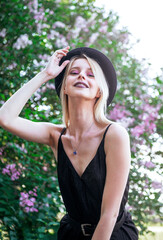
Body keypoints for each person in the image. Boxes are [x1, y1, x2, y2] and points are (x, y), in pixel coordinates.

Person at [0, 46, 139, 240]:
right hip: (70, 234)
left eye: (91, 75)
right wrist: (45, 74)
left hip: (113, 234)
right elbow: (5, 118)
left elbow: (109, 214)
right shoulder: (55, 136)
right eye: (74, 72)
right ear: (64, 87)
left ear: (99, 91)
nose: (82, 76)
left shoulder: (114, 134)